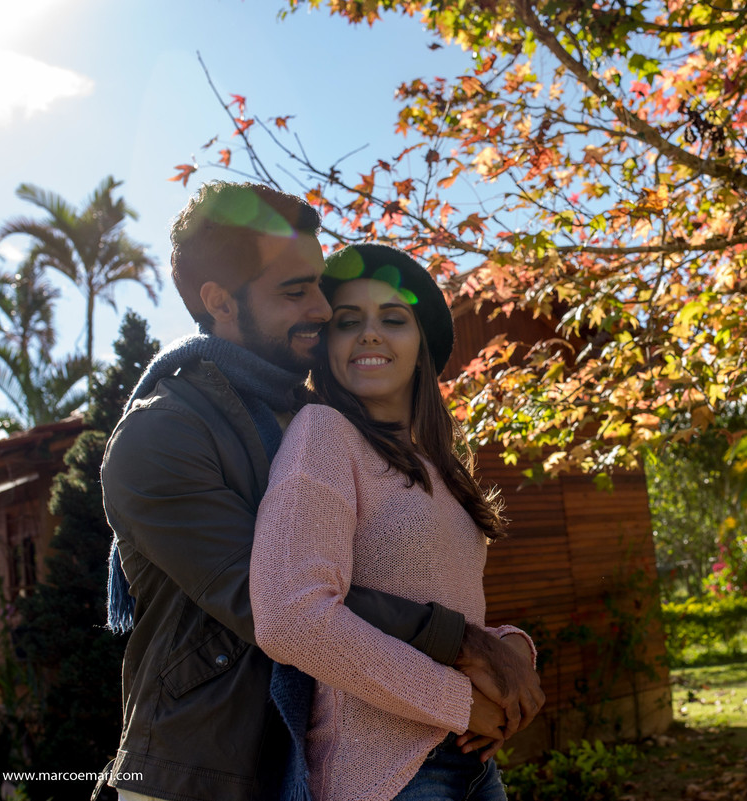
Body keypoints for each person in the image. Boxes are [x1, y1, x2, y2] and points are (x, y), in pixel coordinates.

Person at [99, 183, 543, 801]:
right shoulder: (163, 435)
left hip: (308, 755)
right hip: (202, 771)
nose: (320, 307)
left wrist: (505, 649)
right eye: (294, 290)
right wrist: (463, 654)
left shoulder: (320, 417)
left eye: (317, 284)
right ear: (219, 301)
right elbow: (275, 601)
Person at [249, 242, 530, 801]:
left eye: (393, 319)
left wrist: (514, 649)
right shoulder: (323, 434)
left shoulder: (440, 467)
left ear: (421, 343)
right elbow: (290, 615)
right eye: (348, 321)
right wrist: (459, 701)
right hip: (386, 778)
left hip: (474, 765)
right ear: (327, 345)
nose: (370, 334)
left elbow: (445, 600)